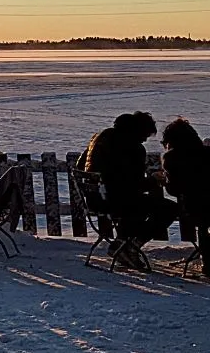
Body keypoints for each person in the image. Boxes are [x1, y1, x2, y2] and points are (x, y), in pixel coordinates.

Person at [78, 111, 177, 266]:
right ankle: (130, 246)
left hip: (94, 199)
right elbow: (132, 185)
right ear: (137, 131)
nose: (145, 140)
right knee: (169, 208)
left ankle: (123, 243)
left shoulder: (99, 138)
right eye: (145, 135)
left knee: (137, 206)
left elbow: (79, 166)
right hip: (116, 201)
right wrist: (154, 180)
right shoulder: (132, 148)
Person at [161, 117, 210, 277]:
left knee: (203, 224)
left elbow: (174, 190)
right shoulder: (207, 153)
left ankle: (207, 261)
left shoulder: (171, 158)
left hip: (192, 210)